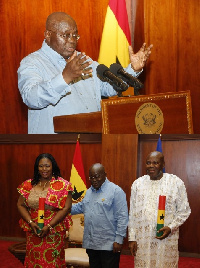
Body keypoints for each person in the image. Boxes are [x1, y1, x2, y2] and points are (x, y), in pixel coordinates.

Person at [18, 11, 153, 134]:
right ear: (48, 35)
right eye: (65, 35)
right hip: (55, 146)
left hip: (91, 143)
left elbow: (109, 87)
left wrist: (133, 69)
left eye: (75, 35)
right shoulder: (32, 62)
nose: (72, 40)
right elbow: (31, 98)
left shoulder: (84, 61)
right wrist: (65, 77)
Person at [128, 151, 191, 268]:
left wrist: (171, 227)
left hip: (166, 239)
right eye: (148, 163)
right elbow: (132, 214)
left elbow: (184, 211)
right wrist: (132, 238)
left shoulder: (176, 182)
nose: (151, 165)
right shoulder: (137, 184)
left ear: (163, 165)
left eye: (155, 163)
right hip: (143, 241)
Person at [17, 153, 73, 268]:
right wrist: (31, 223)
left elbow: (66, 208)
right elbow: (20, 204)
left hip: (54, 231)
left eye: (47, 166)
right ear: (37, 167)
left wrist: (49, 226)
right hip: (34, 230)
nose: (44, 169)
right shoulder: (28, 185)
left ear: (53, 167)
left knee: (52, 261)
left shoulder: (63, 185)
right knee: (34, 260)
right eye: (41, 166)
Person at [71, 163, 129, 268]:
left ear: (105, 174)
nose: (94, 180)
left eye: (97, 176)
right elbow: (80, 207)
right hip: (91, 244)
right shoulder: (89, 192)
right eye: (91, 177)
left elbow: (123, 217)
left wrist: (119, 240)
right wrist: (61, 208)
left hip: (109, 245)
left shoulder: (116, 191)